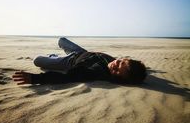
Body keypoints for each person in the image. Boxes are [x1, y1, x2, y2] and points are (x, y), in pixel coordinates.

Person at [13, 37, 147, 85]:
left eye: (117, 71)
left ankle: (53, 57)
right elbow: (136, 69)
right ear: (124, 59)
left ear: (118, 78)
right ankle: (57, 53)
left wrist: (36, 79)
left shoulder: (94, 71)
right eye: (120, 63)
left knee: (37, 60)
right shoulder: (115, 61)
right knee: (61, 40)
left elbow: (67, 77)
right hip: (82, 51)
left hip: (69, 61)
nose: (115, 66)